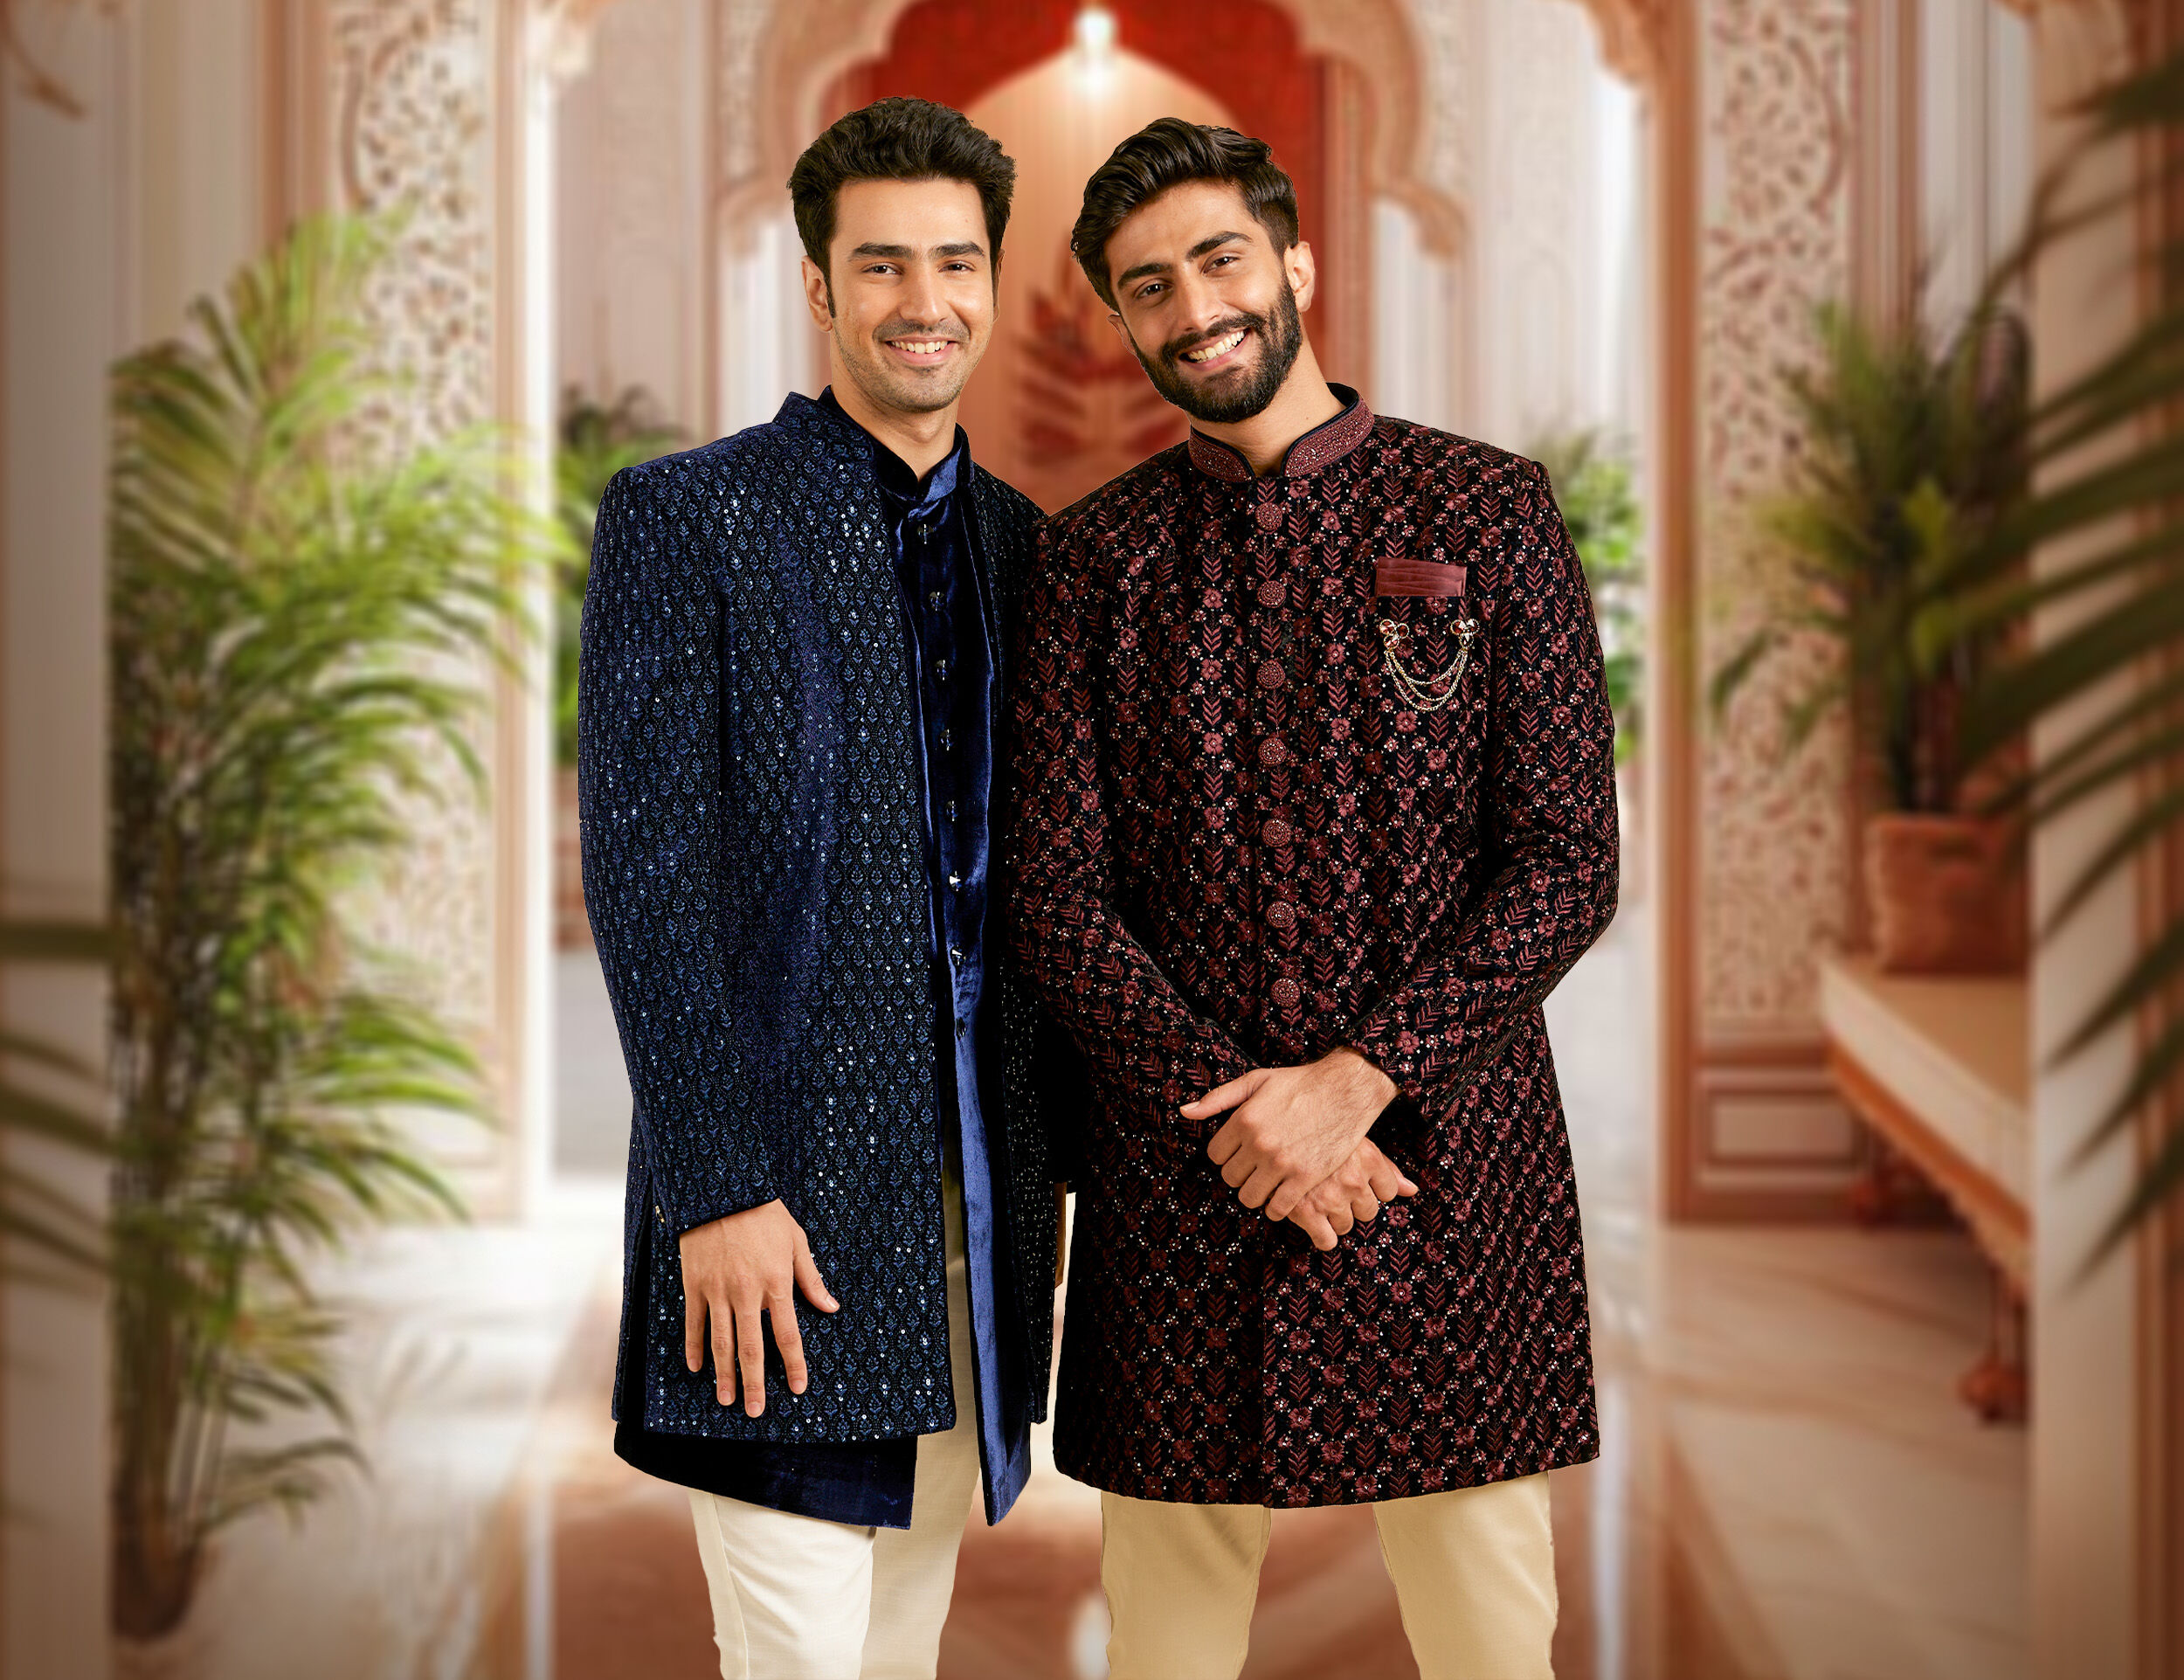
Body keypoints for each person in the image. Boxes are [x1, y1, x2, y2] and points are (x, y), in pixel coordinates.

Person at [1005, 117, 1619, 1680]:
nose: (1195, 307)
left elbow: (1564, 861)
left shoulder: (1487, 513)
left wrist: (1354, 1087)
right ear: (1122, 322)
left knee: (1491, 1633)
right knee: (1164, 1643)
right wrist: (1251, 1120)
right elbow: (1058, 903)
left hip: (1444, 1166)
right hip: (1182, 1182)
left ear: (1293, 262)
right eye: (1149, 288)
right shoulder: (1094, 565)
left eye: (1218, 260)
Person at [578, 97, 1068, 1680]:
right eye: (882, 267)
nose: (924, 303)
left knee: (906, 1648)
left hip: (970, 1218)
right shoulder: (690, 516)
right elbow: (643, 879)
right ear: (817, 285)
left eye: (955, 264)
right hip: (772, 1220)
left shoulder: (1024, 548)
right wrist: (713, 1186)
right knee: (798, 1654)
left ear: (993, 282)